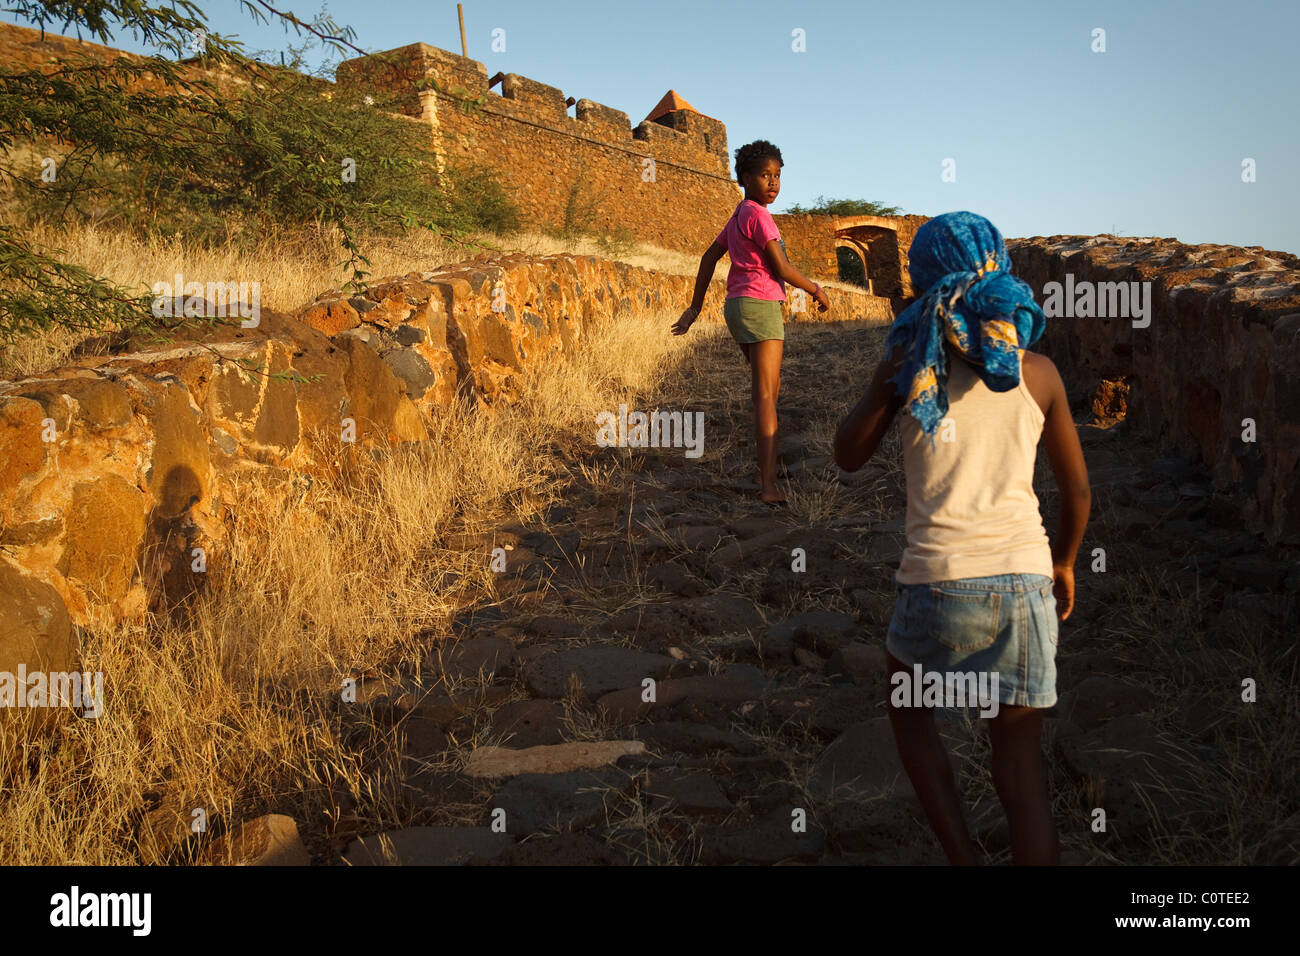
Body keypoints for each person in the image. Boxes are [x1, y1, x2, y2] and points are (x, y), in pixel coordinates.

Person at [832, 210, 1091, 865]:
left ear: (922, 279)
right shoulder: (1039, 374)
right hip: (1027, 585)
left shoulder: (911, 362)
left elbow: (847, 454)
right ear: (999, 264)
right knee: (1021, 770)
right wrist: (1062, 562)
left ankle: (962, 857)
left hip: (936, 584)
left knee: (909, 709)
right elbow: (1079, 493)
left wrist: (883, 382)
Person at [671, 139, 829, 504]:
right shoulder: (759, 215)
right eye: (764, 175)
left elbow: (709, 258)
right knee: (765, 397)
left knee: (766, 392)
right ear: (744, 177)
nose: (773, 183)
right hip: (760, 307)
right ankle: (769, 486)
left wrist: (695, 308)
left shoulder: (738, 215)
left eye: (777, 176)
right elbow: (782, 267)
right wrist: (816, 289)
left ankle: (767, 468)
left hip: (738, 308)